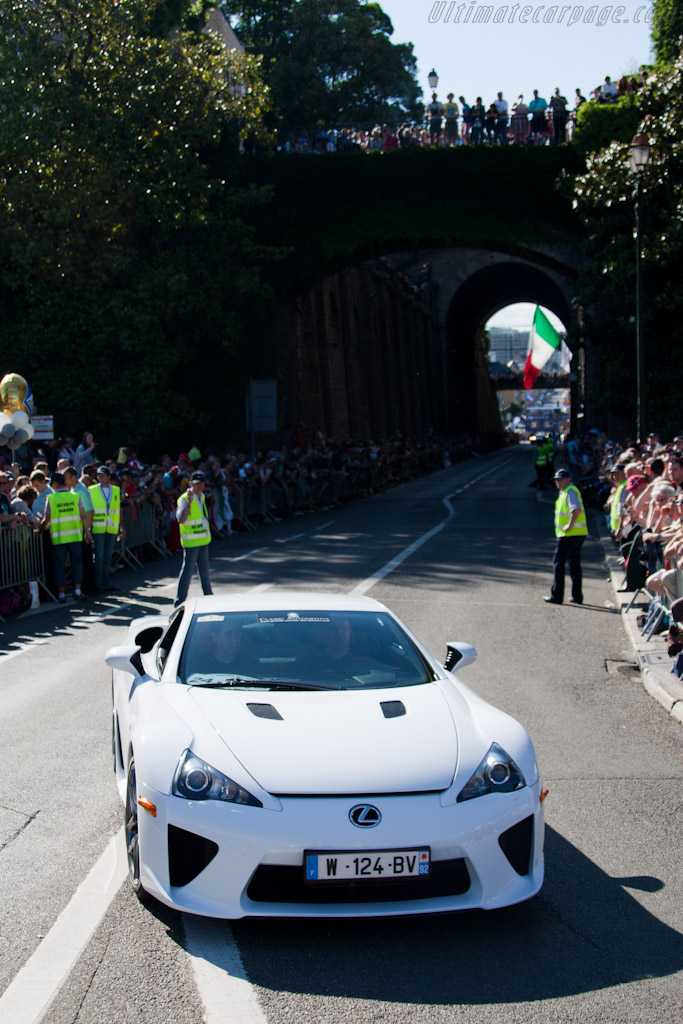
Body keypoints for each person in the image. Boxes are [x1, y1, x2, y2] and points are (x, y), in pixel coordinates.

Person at [39, 472, 92, 602]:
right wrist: (87, 532)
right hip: (75, 536)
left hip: (59, 538)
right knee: (77, 564)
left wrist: (39, 530)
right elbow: (83, 516)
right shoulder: (75, 496)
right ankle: (77, 591)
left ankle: (61, 594)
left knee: (59, 565)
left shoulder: (51, 499)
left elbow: (47, 519)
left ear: (55, 484)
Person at [544, 469, 588, 605]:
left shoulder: (570, 491)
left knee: (558, 563)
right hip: (576, 534)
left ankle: (557, 595)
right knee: (574, 564)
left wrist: (569, 525)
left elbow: (576, 508)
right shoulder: (565, 492)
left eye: (560, 479)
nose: (558, 482)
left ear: (568, 479)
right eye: (556, 480)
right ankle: (577, 596)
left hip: (569, 534)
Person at [175, 470, 214, 606]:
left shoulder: (202, 496)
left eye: (201, 483)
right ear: (191, 483)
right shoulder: (185, 498)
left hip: (202, 539)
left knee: (205, 571)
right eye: (196, 484)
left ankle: (209, 597)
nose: (199, 486)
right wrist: (190, 502)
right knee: (187, 572)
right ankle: (179, 601)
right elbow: (181, 519)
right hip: (191, 541)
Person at [89, 465, 123, 592]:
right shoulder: (92, 490)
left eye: (103, 475)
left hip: (111, 528)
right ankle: (99, 583)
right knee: (99, 556)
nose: (100, 478)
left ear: (109, 477)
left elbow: (118, 509)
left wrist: (121, 527)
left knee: (107, 557)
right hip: (98, 527)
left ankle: (106, 582)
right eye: (98, 476)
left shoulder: (115, 490)